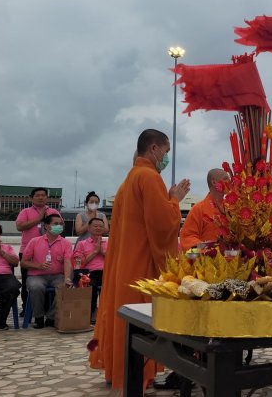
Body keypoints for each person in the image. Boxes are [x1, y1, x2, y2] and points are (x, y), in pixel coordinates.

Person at [89, 129, 191, 391]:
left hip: (124, 262)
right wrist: (174, 200)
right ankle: (136, 376)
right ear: (154, 148)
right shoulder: (149, 176)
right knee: (141, 320)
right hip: (141, 265)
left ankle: (118, 370)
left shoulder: (129, 179)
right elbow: (161, 225)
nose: (165, 158)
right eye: (165, 152)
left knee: (124, 317)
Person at [20, 214, 71, 328]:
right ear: (47, 226)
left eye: (61, 224)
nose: (59, 226)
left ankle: (51, 317)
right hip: (36, 276)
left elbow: (68, 262)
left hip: (57, 276)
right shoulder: (34, 241)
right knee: (36, 287)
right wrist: (39, 266)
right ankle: (38, 317)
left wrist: (67, 278)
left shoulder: (66, 243)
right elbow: (23, 262)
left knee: (65, 287)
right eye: (55, 224)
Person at [15, 188, 60, 314]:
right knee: (27, 282)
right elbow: (20, 226)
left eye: (43, 195)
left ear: (47, 198)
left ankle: (47, 308)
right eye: (37, 195)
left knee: (49, 280)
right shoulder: (26, 211)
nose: (40, 197)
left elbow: (60, 226)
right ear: (31, 198)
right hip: (27, 252)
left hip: (50, 251)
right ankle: (27, 308)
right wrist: (39, 218)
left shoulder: (53, 211)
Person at [180, 168, 228, 250]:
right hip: (207, 259)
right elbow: (188, 237)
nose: (229, 182)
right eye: (225, 179)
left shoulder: (230, 208)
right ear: (214, 182)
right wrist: (208, 248)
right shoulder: (198, 209)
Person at [72, 217, 107, 323]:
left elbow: (116, 260)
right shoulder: (82, 244)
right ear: (89, 228)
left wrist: (103, 253)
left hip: (107, 272)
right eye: (95, 226)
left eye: (101, 226)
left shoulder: (109, 242)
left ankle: (107, 314)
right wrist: (95, 252)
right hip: (89, 272)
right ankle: (91, 313)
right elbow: (78, 264)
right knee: (90, 284)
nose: (98, 228)